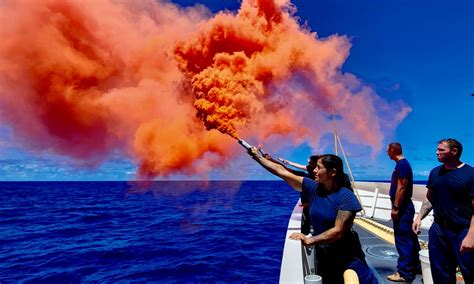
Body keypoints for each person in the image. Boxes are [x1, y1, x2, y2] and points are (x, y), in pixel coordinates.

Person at [247, 147, 378, 283]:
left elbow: (338, 231)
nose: (314, 170)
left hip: (348, 256)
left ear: (332, 172)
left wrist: (310, 240)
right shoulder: (313, 188)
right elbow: (282, 172)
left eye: (319, 167)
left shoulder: (346, 197)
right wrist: (257, 157)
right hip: (325, 255)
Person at [412, 138, 474, 283]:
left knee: (470, 271)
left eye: (441, 150)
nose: (436, 152)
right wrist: (419, 217)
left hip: (463, 229)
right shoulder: (435, 172)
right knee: (440, 272)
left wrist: (471, 235)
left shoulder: (470, 174)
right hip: (439, 229)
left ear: (454, 151)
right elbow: (430, 198)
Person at [386, 142, 421, 282]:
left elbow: (401, 188)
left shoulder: (402, 166)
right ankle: (415, 266)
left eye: (388, 151)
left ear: (394, 150)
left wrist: (395, 207)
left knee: (403, 240)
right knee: (410, 238)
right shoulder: (402, 165)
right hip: (404, 207)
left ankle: (404, 273)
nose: (387, 153)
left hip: (402, 208)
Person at [277, 154, 319, 234]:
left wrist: (310, 204)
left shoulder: (311, 180)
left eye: (311, 163)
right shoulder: (308, 177)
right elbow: (288, 169)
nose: (308, 166)